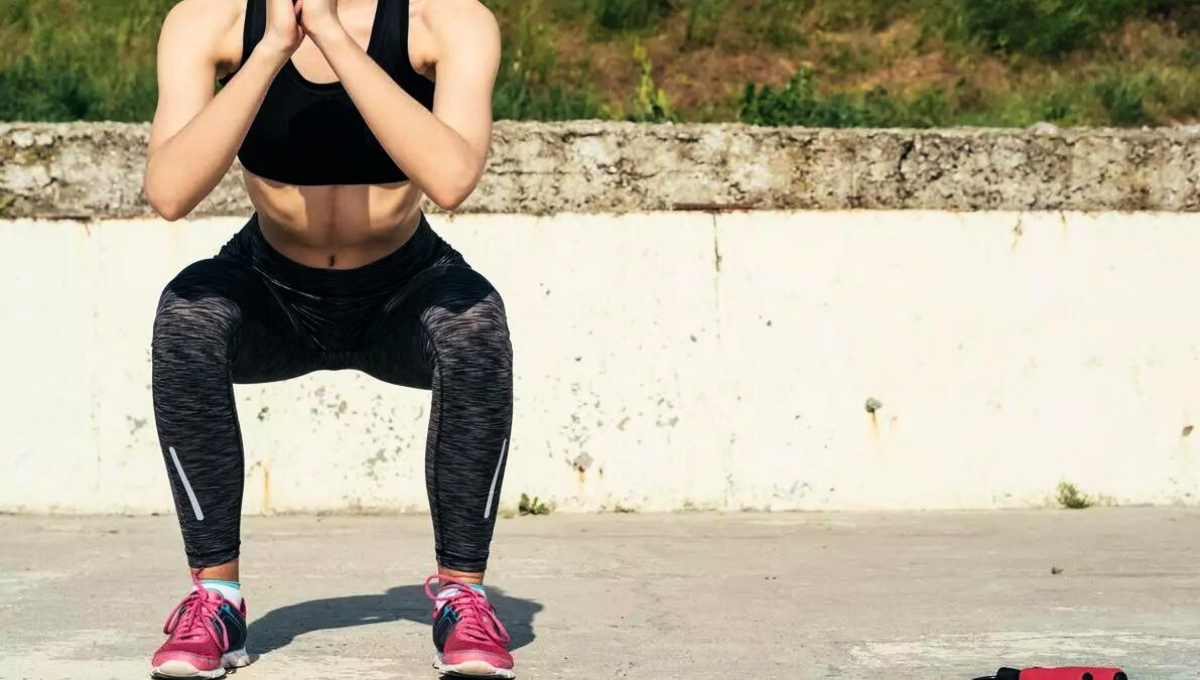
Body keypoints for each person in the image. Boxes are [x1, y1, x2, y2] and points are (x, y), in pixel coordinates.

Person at [142, 0, 513, 677]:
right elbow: (168, 191)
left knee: (475, 322)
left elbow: (453, 179)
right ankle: (216, 600)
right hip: (274, 292)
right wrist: (272, 49)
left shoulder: (449, 21)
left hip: (401, 291)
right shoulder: (208, 21)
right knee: (186, 313)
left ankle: (462, 595)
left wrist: (337, 40)